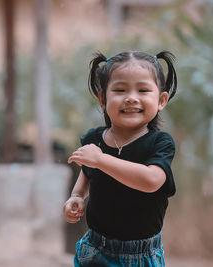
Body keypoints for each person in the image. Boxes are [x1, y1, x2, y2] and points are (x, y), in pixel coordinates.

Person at [63, 50, 178, 267]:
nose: (131, 98)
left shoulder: (160, 143)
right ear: (102, 99)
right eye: (120, 90)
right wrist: (76, 196)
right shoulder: (94, 139)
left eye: (143, 90)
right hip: (95, 249)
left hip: (141, 255)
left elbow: (151, 180)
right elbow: (88, 172)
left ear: (161, 100)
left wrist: (101, 160)